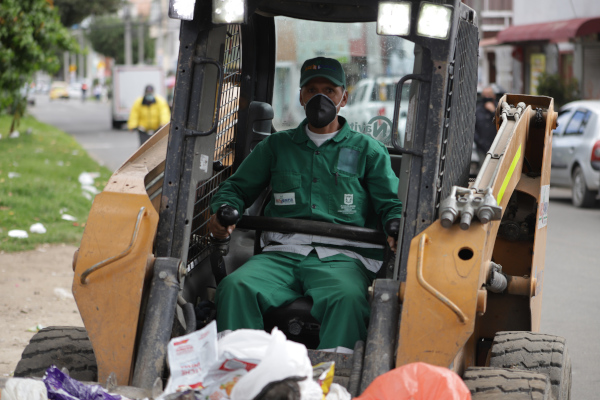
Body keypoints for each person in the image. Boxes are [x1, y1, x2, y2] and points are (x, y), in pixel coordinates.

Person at [208, 57, 403, 353]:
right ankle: (237, 376)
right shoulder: (276, 147)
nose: (320, 97)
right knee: (235, 287)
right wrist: (224, 210)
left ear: (344, 97)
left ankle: (335, 383)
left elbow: (391, 203)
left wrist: (395, 225)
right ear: (300, 96)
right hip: (281, 254)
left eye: (329, 90)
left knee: (348, 298)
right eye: (311, 90)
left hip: (344, 256)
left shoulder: (368, 150)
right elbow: (235, 188)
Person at [474, 86, 497, 167]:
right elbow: (473, 129)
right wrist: (479, 141)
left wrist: (494, 111)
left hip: (497, 147)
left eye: (489, 95)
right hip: (482, 148)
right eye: (485, 95)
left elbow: (503, 123)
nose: (487, 97)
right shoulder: (477, 110)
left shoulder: (499, 109)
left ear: (494, 96)